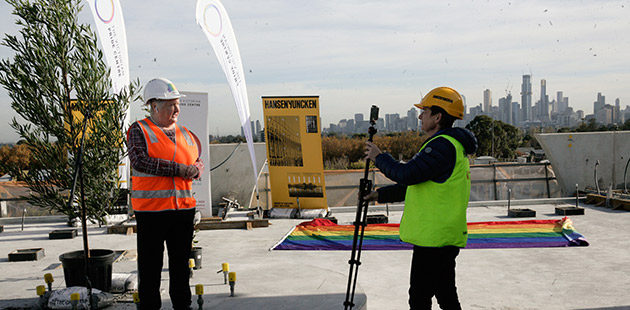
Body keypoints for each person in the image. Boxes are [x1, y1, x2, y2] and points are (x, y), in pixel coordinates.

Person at [364, 86, 477, 310]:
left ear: (438, 116)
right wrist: (378, 195)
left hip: (434, 238)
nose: (420, 115)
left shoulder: (442, 146)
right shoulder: (449, 145)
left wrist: (379, 157)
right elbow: (416, 184)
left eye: (424, 111)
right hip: (441, 235)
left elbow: (407, 174)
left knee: (419, 298)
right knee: (445, 295)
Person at [128, 77, 204, 310]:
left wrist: (196, 169)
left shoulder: (186, 133)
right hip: (152, 213)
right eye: (171, 104)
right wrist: (182, 170)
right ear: (155, 106)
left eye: (177, 103)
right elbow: (141, 162)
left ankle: (183, 305)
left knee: (181, 265)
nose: (177, 109)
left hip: (183, 211)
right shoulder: (139, 130)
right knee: (150, 266)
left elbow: (197, 162)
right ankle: (150, 306)